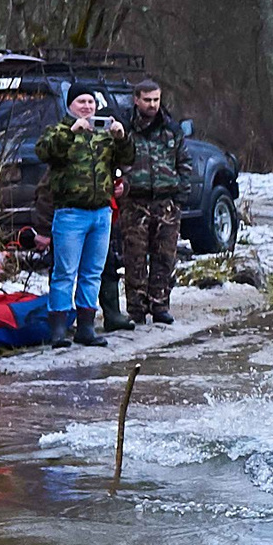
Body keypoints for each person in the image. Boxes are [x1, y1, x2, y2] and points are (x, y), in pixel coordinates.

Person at [35, 88, 133, 347]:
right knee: (64, 272)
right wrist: (72, 132)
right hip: (70, 214)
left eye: (91, 102)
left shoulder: (105, 133)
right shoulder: (58, 130)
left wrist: (122, 138)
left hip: (101, 213)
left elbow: (129, 159)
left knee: (93, 272)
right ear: (71, 105)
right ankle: (58, 330)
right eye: (81, 101)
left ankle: (86, 328)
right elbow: (44, 151)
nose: (87, 106)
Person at [115, 78, 189, 326]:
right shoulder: (125, 128)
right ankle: (136, 308)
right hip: (135, 202)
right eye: (147, 100)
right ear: (136, 100)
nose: (152, 105)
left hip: (166, 202)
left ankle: (160, 305)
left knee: (164, 257)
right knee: (134, 258)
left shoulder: (171, 129)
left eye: (156, 99)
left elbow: (184, 163)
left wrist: (180, 198)